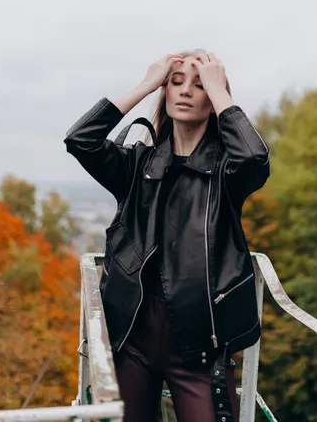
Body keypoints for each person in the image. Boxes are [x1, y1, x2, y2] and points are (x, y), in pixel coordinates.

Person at [64, 49, 270, 422]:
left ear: (213, 100)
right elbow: (81, 140)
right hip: (133, 341)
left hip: (199, 348)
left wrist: (221, 92)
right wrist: (146, 84)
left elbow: (255, 159)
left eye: (200, 85)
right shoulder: (137, 165)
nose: (186, 91)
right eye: (176, 83)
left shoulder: (226, 172)